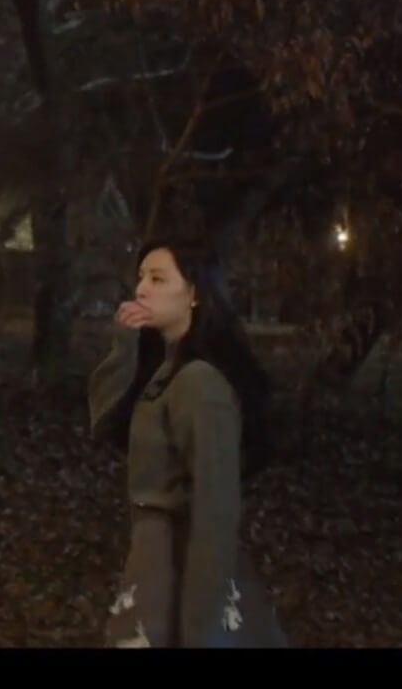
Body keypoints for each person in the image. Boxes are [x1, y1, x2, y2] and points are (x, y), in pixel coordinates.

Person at [87, 237, 288, 647]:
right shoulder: (166, 371)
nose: (141, 289)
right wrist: (123, 348)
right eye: (141, 277)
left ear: (194, 294)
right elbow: (105, 424)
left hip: (180, 563)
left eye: (158, 279)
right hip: (153, 557)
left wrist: (201, 623)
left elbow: (216, 509)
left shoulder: (200, 382)